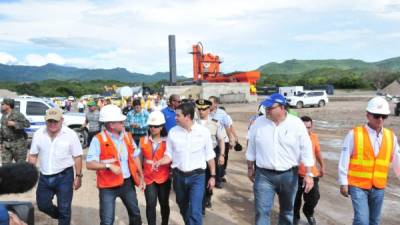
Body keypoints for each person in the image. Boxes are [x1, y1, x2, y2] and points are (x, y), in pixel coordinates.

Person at [246, 93, 314, 225]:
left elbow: (306, 149)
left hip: (289, 176)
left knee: (287, 212)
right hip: (264, 175)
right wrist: (250, 168)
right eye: (266, 107)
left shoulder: (296, 124)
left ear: (282, 108)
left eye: (270, 108)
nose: (266, 110)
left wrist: (309, 174)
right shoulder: (258, 124)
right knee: (262, 212)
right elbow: (251, 148)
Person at [338, 96, 400, 225]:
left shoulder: (391, 137)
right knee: (362, 220)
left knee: (374, 221)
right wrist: (343, 182)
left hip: (379, 186)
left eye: (384, 116)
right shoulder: (354, 134)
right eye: (377, 115)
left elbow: (397, 161)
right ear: (368, 115)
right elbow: (344, 159)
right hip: (358, 185)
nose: (380, 119)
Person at [153, 102, 216, 225]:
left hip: (197, 176)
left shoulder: (203, 132)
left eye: (178, 115)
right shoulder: (173, 132)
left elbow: (210, 156)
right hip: (178, 177)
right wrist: (160, 161)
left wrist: (213, 176)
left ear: (187, 117)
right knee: (182, 205)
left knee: (195, 210)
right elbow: (169, 154)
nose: (175, 118)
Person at [86, 104, 144, 225]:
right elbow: (89, 164)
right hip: (108, 186)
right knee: (107, 221)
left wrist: (141, 175)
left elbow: (135, 156)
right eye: (121, 121)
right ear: (112, 124)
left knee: (135, 214)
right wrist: (108, 166)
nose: (124, 122)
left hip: (127, 183)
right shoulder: (98, 139)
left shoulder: (127, 137)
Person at [28, 108, 83, 225]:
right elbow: (33, 155)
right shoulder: (38, 134)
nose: (52, 124)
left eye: (55, 121)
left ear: (62, 120)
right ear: (45, 121)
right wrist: (29, 174)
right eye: (50, 121)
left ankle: (64, 217)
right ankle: (63, 216)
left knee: (64, 208)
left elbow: (77, 156)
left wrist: (78, 176)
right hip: (44, 177)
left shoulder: (71, 135)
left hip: (64, 177)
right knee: (43, 205)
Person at [139, 111, 171, 225]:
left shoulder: (168, 141)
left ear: (162, 127)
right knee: (151, 204)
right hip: (149, 179)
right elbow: (139, 160)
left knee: (164, 203)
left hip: (164, 178)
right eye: (151, 126)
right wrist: (141, 177)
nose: (153, 128)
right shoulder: (143, 140)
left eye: (156, 126)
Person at [195, 99, 226, 214]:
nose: (201, 111)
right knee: (200, 183)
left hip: (212, 155)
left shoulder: (215, 123)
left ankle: (208, 196)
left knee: (210, 179)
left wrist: (222, 155)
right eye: (199, 109)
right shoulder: (193, 123)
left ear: (209, 109)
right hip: (198, 156)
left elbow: (221, 140)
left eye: (203, 109)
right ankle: (201, 206)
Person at [294, 116, 325, 225]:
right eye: (304, 127)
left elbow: (317, 152)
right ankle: (295, 216)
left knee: (314, 197)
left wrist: (322, 166)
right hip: (295, 174)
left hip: (312, 174)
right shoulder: (293, 138)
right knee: (295, 198)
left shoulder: (314, 137)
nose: (306, 130)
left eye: (308, 127)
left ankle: (308, 212)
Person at [209, 96, 235, 183]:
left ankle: (219, 179)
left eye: (210, 103)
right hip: (210, 142)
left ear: (216, 104)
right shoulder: (206, 112)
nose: (208, 105)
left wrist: (231, 139)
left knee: (220, 161)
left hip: (221, 141)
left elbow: (228, 127)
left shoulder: (222, 113)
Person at [0, 98, 30, 164]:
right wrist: (1, 142)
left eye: (2, 104)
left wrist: (15, 124)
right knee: (5, 166)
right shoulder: (3, 115)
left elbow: (27, 124)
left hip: (18, 144)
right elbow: (2, 129)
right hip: (7, 145)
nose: (1, 105)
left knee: (20, 166)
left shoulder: (17, 114)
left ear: (8, 105)